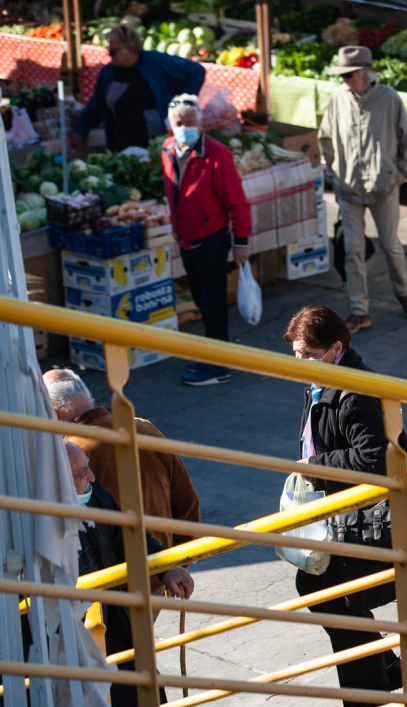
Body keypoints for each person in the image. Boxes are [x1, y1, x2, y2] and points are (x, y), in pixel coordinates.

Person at [284, 305, 407, 707]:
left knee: (337, 600)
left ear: (335, 349)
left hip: (374, 523)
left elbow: (375, 459)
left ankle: (368, 702)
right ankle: (385, 671)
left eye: (307, 354)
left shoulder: (354, 394)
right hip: (348, 517)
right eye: (296, 354)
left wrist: (313, 468)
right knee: (321, 592)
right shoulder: (324, 381)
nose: (299, 362)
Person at [66, 441, 194, 707]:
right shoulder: (26, 520)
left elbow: (125, 533)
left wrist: (165, 568)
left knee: (146, 700)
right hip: (64, 641)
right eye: (82, 473)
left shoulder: (91, 494)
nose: (92, 477)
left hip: (110, 623)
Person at [319, 46, 407, 333]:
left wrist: (401, 174)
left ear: (365, 73)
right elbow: (325, 138)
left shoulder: (389, 99)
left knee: (390, 245)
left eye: (349, 75)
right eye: (341, 75)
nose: (344, 80)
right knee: (352, 249)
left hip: (384, 186)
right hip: (348, 188)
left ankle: (404, 292)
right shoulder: (338, 98)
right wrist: (333, 173)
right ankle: (359, 310)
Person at [44, 369, 201, 551]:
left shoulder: (73, 454)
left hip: (116, 568)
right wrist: (178, 560)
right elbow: (187, 503)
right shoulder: (143, 428)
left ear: (53, 414)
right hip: (164, 561)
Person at [162, 93, 252, 387]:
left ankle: (219, 366)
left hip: (211, 239)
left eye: (190, 122)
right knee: (201, 299)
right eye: (179, 123)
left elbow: (236, 200)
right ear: (170, 124)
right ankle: (213, 354)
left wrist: (241, 240)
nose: (184, 127)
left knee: (213, 303)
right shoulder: (168, 149)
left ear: (200, 123)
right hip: (186, 239)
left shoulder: (216, 153)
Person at [71, 24, 205, 152]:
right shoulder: (109, 72)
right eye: (109, 51)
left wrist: (182, 103)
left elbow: (196, 71)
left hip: (157, 142)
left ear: (129, 48)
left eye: (113, 51)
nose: (109, 55)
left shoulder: (156, 62)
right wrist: (81, 131)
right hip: (122, 142)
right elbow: (96, 104)